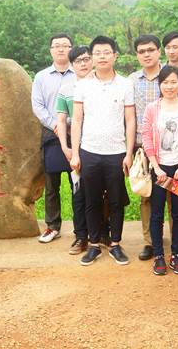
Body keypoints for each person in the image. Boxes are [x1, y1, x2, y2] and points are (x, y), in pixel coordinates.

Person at [70, 36, 136, 266]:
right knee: (91, 200)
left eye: (106, 52)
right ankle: (94, 245)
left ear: (115, 55)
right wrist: (76, 153)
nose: (102, 57)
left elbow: (130, 120)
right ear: (92, 57)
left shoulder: (125, 84)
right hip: (89, 151)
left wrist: (128, 153)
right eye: (97, 53)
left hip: (116, 152)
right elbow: (76, 120)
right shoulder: (83, 85)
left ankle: (115, 244)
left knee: (116, 200)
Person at [129, 34, 178, 261]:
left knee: (177, 196)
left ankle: (177, 243)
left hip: (175, 150)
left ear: (158, 51)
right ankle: (150, 243)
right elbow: (129, 115)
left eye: (151, 50)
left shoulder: (170, 76)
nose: (146, 54)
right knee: (148, 196)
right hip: (145, 148)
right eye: (141, 51)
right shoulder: (132, 80)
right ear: (137, 55)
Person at [142, 66, 178, 275]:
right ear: (160, 85)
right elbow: (146, 137)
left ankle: (176, 253)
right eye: (165, 82)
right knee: (156, 213)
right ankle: (158, 255)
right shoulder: (152, 109)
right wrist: (156, 167)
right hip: (160, 170)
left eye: (174, 82)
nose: (170, 86)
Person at [31, 33, 76, 243]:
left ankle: (81, 227)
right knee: (51, 184)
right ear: (50, 50)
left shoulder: (80, 75)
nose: (61, 49)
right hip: (52, 134)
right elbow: (37, 106)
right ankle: (52, 226)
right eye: (56, 46)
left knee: (78, 183)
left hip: (76, 133)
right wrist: (56, 125)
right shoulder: (41, 77)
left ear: (71, 49)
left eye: (65, 45)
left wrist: (70, 124)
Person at [56, 46, 92, 254]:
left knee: (102, 192)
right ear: (72, 65)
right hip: (76, 147)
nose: (83, 63)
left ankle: (102, 233)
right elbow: (61, 120)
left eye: (87, 59)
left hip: (100, 147)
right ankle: (81, 236)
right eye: (78, 61)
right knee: (78, 192)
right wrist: (65, 147)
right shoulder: (66, 89)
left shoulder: (101, 85)